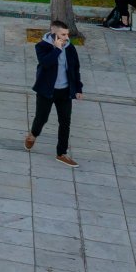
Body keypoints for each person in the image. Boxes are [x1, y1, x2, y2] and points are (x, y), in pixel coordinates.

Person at [27, 18, 83, 167]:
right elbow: (45, 63)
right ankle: (33, 134)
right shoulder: (42, 46)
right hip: (47, 91)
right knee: (41, 118)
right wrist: (57, 49)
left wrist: (78, 88)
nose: (66, 38)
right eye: (63, 35)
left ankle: (61, 153)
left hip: (65, 92)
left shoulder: (70, 48)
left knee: (65, 122)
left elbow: (75, 68)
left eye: (67, 34)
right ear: (54, 33)